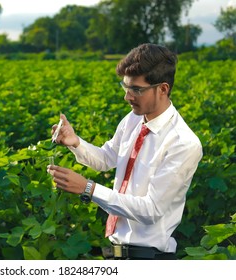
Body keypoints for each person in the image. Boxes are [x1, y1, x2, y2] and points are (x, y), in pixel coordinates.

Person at [47, 43, 203, 260]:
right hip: (116, 253)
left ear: (163, 89)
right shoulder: (133, 119)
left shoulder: (183, 143)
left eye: (136, 90)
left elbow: (151, 210)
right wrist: (75, 142)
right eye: (126, 87)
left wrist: (89, 189)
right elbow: (107, 158)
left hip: (149, 260)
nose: (127, 97)